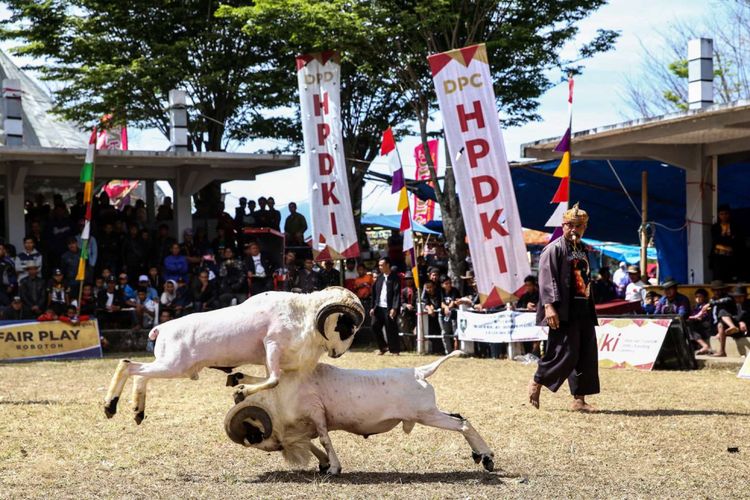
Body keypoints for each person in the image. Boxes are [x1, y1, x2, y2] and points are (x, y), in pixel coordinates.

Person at [529, 203, 599, 412]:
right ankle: (538, 380)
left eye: (579, 226)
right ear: (564, 226)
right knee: (564, 352)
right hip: (563, 310)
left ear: (584, 227)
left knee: (586, 354)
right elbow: (546, 279)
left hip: (583, 308)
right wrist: (549, 307)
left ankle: (579, 400)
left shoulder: (583, 249)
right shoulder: (554, 248)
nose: (574, 229)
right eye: (570, 225)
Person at [370, 257, 401, 355]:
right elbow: (374, 293)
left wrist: (394, 308)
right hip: (378, 307)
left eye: (382, 265)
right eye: (379, 265)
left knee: (391, 328)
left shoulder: (395, 277)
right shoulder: (379, 277)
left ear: (388, 265)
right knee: (374, 325)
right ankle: (383, 347)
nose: (380, 267)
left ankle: (394, 350)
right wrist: (372, 307)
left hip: (389, 307)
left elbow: (397, 294)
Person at [709, 204, 744, 282]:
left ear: (729, 214)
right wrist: (728, 240)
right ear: (718, 215)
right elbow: (716, 241)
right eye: (721, 214)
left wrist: (724, 241)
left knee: (732, 279)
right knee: (719, 279)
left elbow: (737, 241)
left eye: (726, 213)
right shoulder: (715, 227)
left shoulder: (735, 226)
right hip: (718, 258)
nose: (724, 216)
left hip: (732, 258)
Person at [714, 285, 749, 357]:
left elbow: (745, 315)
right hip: (733, 328)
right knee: (721, 322)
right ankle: (722, 351)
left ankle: (731, 328)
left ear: (745, 296)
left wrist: (742, 321)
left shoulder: (748, 304)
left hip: (745, 329)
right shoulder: (731, 304)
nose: (738, 299)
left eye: (740, 297)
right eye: (736, 297)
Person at [438, 275, 460, 354]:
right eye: (446, 283)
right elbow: (441, 303)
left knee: (456, 332)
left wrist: (448, 308)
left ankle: (456, 350)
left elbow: (453, 302)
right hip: (443, 315)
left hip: (453, 314)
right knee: (444, 332)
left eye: (449, 283)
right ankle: (448, 352)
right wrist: (446, 308)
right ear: (442, 285)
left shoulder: (455, 290)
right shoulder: (440, 291)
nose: (449, 285)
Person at [689, 288, 713, 355]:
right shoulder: (696, 307)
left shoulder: (707, 306)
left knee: (691, 327)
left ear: (705, 298)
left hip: (706, 327)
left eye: (700, 296)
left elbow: (702, 317)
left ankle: (705, 346)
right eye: (696, 297)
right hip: (698, 325)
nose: (698, 298)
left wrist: (693, 318)